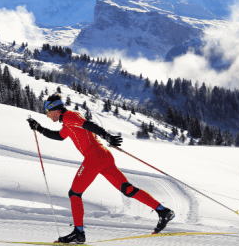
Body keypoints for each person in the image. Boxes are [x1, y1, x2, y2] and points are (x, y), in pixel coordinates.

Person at [27, 94, 175, 244]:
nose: (47, 115)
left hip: (94, 157)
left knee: (74, 193)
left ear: (55, 110)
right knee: (127, 189)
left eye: (48, 112)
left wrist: (107, 136)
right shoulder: (67, 123)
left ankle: (79, 232)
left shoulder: (69, 117)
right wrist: (39, 128)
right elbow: (59, 136)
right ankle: (163, 211)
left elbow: (88, 124)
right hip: (103, 155)